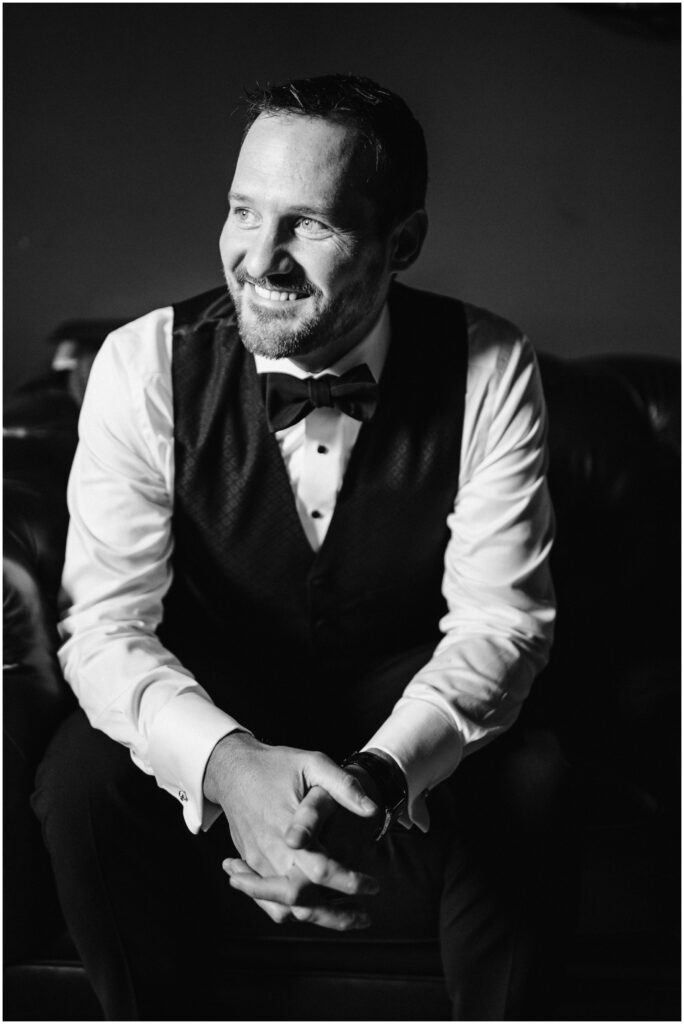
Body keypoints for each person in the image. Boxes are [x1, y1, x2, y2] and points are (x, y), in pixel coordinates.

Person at [33, 74, 568, 1021]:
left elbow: (501, 624)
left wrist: (379, 779)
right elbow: (106, 626)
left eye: (309, 224)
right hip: (217, 683)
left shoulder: (490, 363)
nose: (258, 258)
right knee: (78, 781)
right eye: (243, 211)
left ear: (402, 242)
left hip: (398, 687)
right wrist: (227, 764)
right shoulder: (142, 362)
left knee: (534, 777)